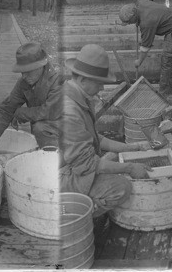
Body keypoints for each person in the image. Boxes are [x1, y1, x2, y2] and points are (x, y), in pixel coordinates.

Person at [59, 44, 153, 228]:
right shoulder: (69, 111)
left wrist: (131, 147)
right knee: (121, 188)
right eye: (99, 82)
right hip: (62, 177)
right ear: (84, 79)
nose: (102, 87)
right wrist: (130, 167)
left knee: (111, 162)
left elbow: (96, 139)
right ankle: (74, 216)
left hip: (75, 164)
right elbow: (85, 165)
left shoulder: (79, 96)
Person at [0, 42, 63, 148]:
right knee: (40, 128)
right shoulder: (26, 81)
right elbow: (7, 108)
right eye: (22, 72)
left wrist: (21, 113)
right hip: (50, 128)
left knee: (40, 128)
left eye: (28, 71)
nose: (24, 76)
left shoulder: (58, 80)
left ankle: (57, 158)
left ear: (40, 66)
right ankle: (44, 152)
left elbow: (49, 112)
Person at [119, 0, 172, 96]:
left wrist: (139, 61)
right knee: (169, 59)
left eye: (129, 22)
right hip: (171, 26)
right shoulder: (140, 1)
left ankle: (164, 94)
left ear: (133, 16)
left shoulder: (146, 23)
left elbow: (146, 47)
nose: (129, 24)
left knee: (167, 60)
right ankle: (168, 90)